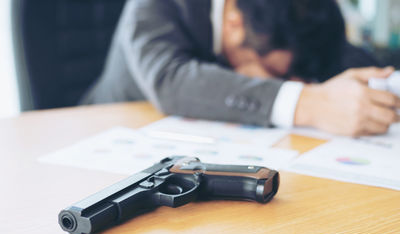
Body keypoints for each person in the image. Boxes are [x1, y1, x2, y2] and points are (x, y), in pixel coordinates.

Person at [81, 0, 400, 136]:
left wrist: (384, 84)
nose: (287, 82)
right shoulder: (160, 5)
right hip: (109, 136)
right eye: (274, 74)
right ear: (233, 23)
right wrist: (309, 102)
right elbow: (170, 79)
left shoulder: (285, 19)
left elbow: (336, 52)